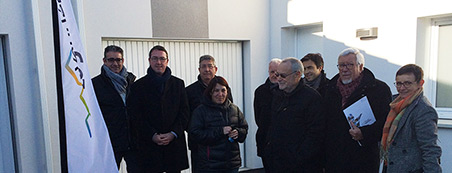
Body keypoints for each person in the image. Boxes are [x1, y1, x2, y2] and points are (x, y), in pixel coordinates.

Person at [323, 48, 392, 173]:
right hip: (334, 159)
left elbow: (386, 122)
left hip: (363, 159)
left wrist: (364, 133)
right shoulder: (329, 89)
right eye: (341, 65)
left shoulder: (378, 89)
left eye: (349, 65)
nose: (344, 69)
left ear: (360, 67)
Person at [128, 45, 189, 172]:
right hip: (149, 146)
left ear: (167, 61)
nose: (158, 62)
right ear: (149, 60)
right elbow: (136, 116)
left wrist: (173, 134)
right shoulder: (138, 86)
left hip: (173, 146)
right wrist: (152, 135)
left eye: (162, 58)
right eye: (155, 58)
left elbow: (184, 112)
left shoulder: (178, 84)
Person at [265, 57, 324, 172]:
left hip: (302, 165)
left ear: (297, 75)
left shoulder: (312, 98)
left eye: (283, 76)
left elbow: (315, 134)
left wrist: (298, 156)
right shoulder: (278, 96)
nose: (279, 79)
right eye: (277, 75)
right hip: (278, 162)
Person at [381, 64, 442, 173]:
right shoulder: (394, 103)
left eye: (407, 83)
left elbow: (430, 149)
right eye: (399, 83)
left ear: (420, 83)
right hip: (390, 167)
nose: (402, 88)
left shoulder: (423, 110)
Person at [92, 45, 139, 172]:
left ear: (123, 61)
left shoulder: (132, 82)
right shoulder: (95, 85)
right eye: (111, 60)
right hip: (110, 142)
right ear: (104, 61)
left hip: (133, 141)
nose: (115, 63)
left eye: (118, 60)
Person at [189, 76, 248, 173]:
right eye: (216, 90)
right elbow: (195, 134)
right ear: (210, 92)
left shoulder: (235, 109)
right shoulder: (200, 111)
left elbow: (244, 128)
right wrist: (220, 131)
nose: (220, 94)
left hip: (232, 164)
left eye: (223, 90)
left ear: (227, 92)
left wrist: (238, 133)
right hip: (210, 166)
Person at [185, 55, 233, 172]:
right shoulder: (189, 91)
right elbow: (186, 118)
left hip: (221, 146)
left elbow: (230, 113)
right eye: (203, 66)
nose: (207, 69)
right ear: (199, 70)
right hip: (199, 146)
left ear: (215, 69)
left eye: (210, 66)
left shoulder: (225, 89)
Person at [253, 58, 281, 170]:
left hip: (284, 143)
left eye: (277, 72)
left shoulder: (288, 91)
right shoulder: (260, 91)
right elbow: (258, 117)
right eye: (272, 72)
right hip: (265, 140)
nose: (275, 75)